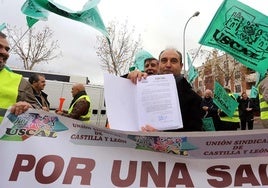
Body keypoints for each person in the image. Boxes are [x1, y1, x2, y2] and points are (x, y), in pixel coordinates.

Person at [128, 48, 203, 132]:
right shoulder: (142, 85)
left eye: (173, 61)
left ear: (181, 66)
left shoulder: (193, 99)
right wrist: (129, 78)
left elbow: (194, 135)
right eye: (164, 61)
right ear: (159, 64)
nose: (168, 65)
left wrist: (162, 135)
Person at [0, 31, 39, 123]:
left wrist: (29, 107)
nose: (5, 52)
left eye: (7, 49)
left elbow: (38, 111)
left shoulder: (20, 82)